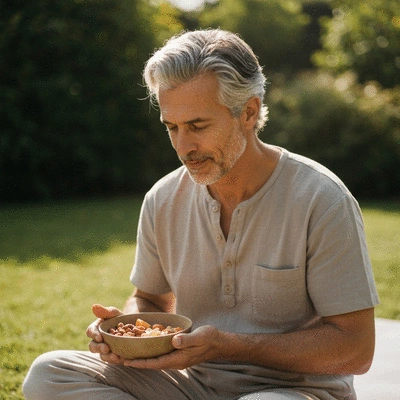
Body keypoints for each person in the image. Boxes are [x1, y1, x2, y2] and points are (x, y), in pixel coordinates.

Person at [23, 28, 379, 400]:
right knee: (49, 375)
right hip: (190, 383)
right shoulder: (162, 198)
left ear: (249, 112)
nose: (183, 146)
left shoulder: (322, 199)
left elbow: (356, 349)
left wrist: (228, 345)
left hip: (289, 391)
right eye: (171, 127)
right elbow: (152, 300)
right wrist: (129, 329)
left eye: (197, 126)